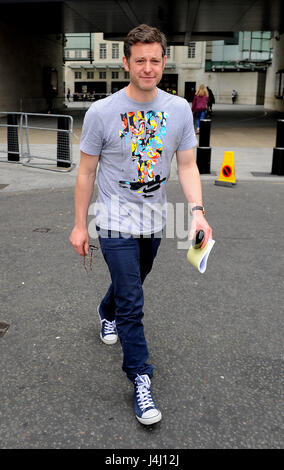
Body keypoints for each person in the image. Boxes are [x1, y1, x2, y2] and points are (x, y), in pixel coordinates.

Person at [69, 24, 212, 426]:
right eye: (140, 61)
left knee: (131, 285)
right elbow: (85, 173)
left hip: (154, 221)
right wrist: (80, 225)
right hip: (113, 220)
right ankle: (141, 380)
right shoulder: (102, 112)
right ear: (126, 62)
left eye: (154, 60)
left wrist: (197, 210)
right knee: (133, 303)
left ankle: (104, 308)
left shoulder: (180, 109)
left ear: (164, 61)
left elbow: (186, 165)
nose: (147, 68)